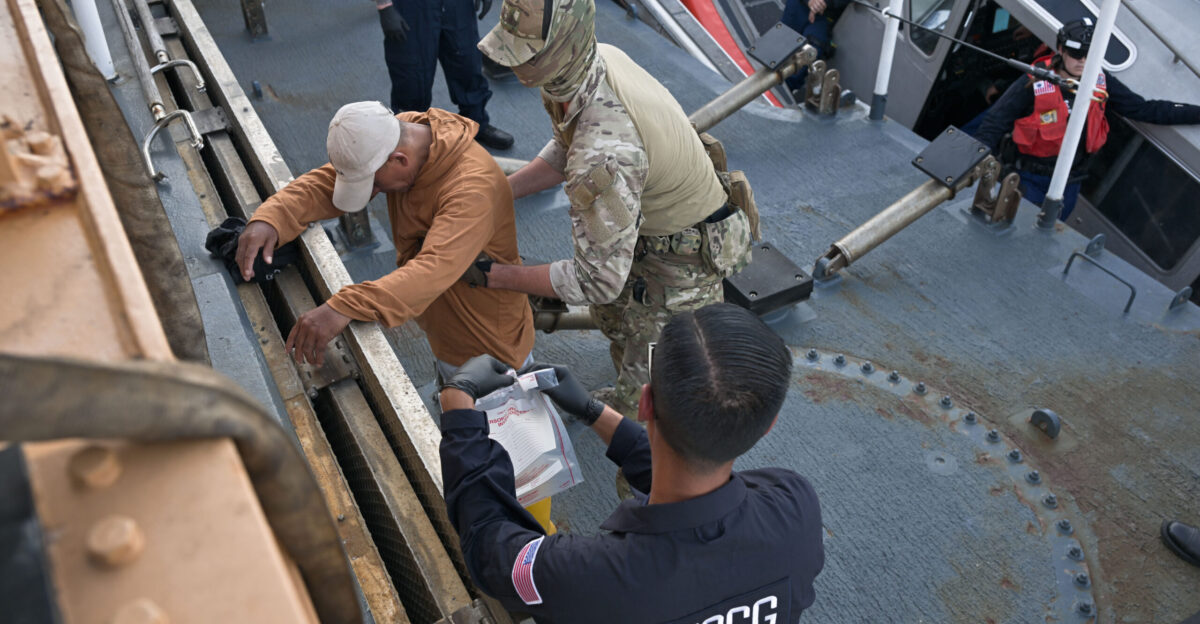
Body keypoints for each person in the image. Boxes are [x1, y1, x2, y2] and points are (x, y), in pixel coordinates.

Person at [437, 303, 825, 622]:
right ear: (768, 426)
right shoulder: (795, 508)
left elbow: (490, 546)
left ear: (644, 403)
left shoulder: (589, 575)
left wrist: (460, 412)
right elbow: (696, 487)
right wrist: (595, 412)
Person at [471, 0, 753, 417]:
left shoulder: (603, 155)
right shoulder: (591, 63)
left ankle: (636, 439)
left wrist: (496, 277)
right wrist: (500, 192)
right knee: (619, 321)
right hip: (648, 232)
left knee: (656, 399)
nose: (516, 65)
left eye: (527, 53)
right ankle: (625, 390)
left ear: (560, 50)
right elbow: (568, 142)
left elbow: (595, 282)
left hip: (682, 267)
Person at [976, 17, 1200, 220]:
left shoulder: (1101, 81)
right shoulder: (1033, 82)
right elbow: (994, 123)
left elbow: (1145, 109)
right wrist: (978, 167)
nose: (1083, 61)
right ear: (1061, 50)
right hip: (1027, 179)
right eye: (1076, 54)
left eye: (1089, 55)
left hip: (1068, 185)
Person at [374, 0, 515, 150]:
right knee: (412, 76)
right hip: (411, 6)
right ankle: (410, 136)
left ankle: (476, 123)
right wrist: (384, 6)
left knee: (467, 63)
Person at [780, 0, 849, 95]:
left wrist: (823, 3)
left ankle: (786, 89)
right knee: (780, 48)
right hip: (799, 6)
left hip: (825, 15)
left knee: (811, 51)